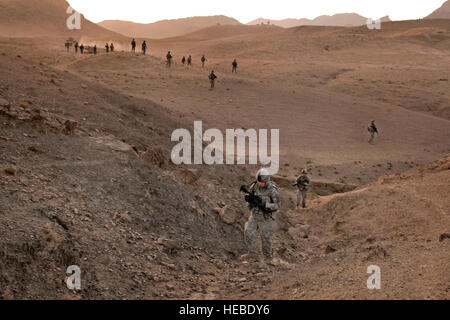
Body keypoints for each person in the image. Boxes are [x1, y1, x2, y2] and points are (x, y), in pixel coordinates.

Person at [242, 168, 281, 263]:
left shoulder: (272, 190)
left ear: (266, 181)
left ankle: (268, 258)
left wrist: (265, 205)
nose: (260, 184)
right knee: (248, 232)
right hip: (255, 215)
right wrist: (249, 200)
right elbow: (250, 198)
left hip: (266, 218)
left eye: (262, 182)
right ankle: (252, 254)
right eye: (259, 181)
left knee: (266, 238)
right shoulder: (254, 186)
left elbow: (277, 205)